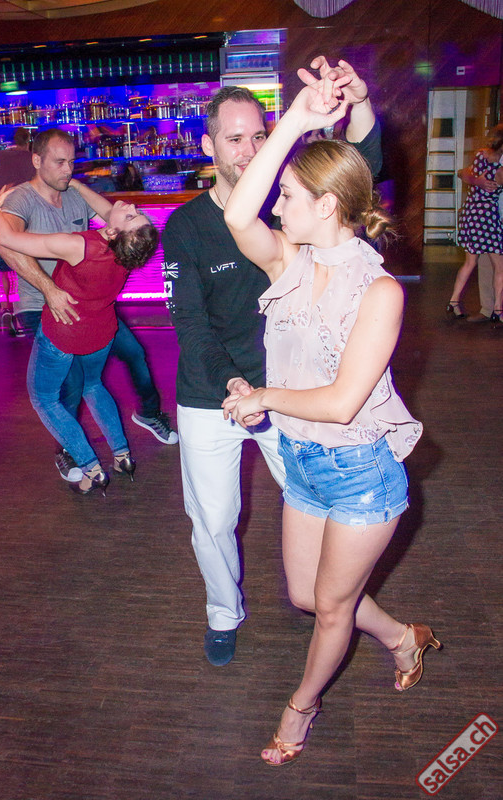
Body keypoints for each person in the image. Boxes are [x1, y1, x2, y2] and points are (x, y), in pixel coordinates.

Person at [222, 58, 439, 766]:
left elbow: (344, 403)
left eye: (288, 194)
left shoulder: (380, 293)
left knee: (332, 608)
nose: (275, 206)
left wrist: (262, 397)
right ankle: (403, 635)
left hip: (361, 475)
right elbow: (235, 214)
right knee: (307, 596)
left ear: (325, 205)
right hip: (302, 465)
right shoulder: (288, 264)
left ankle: (301, 707)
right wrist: (295, 119)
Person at [161, 59, 382, 667]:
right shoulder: (185, 228)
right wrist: (231, 382)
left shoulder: (291, 208)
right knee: (214, 520)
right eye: (234, 138)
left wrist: (361, 104)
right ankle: (223, 612)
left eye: (259, 135)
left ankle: (329, 601)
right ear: (208, 146)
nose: (249, 149)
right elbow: (190, 325)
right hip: (211, 393)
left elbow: (362, 175)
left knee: (321, 504)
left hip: (291, 394)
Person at [0, 128, 177, 483]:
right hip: (57, 306)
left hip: (83, 314)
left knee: (110, 366)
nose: (68, 169)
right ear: (37, 161)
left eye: (71, 163)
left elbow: (6, 238)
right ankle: (89, 452)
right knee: (81, 384)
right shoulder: (24, 201)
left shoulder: (87, 235)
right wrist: (48, 288)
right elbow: (8, 247)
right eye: (61, 162)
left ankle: (93, 459)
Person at [447, 124, 503, 322]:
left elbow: (462, 172)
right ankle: (497, 310)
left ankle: (454, 301)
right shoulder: (498, 168)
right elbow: (463, 173)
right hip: (488, 217)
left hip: (472, 214)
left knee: (470, 262)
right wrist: (477, 180)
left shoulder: (480, 156)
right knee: (499, 267)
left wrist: (475, 180)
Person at [0, 127, 35, 335]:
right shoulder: (31, 159)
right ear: (28, 141)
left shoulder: (0, 158)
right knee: (23, 267)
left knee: (4, 270)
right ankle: (24, 315)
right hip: (20, 216)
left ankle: (6, 308)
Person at [457, 157, 503, 323]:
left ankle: (494, 310)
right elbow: (462, 173)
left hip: (492, 217)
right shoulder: (492, 156)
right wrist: (476, 181)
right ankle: (489, 309)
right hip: (491, 219)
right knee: (486, 264)